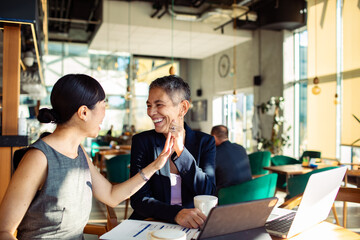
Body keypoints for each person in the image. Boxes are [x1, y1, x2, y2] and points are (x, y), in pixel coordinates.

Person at [0, 74, 171, 240]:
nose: (105, 114)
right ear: (83, 112)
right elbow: (4, 231)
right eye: (103, 105)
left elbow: (111, 196)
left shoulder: (79, 150)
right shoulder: (38, 158)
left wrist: (156, 165)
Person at [130, 75, 216, 229]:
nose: (151, 112)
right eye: (149, 105)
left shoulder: (205, 143)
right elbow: (138, 199)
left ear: (182, 108)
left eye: (159, 104)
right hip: (151, 223)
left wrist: (181, 151)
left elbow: (208, 193)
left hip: (193, 225)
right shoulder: (142, 142)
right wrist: (176, 213)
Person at [210, 125, 252, 194]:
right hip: (247, 193)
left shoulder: (214, 153)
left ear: (213, 137)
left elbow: (209, 176)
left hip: (228, 196)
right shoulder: (241, 148)